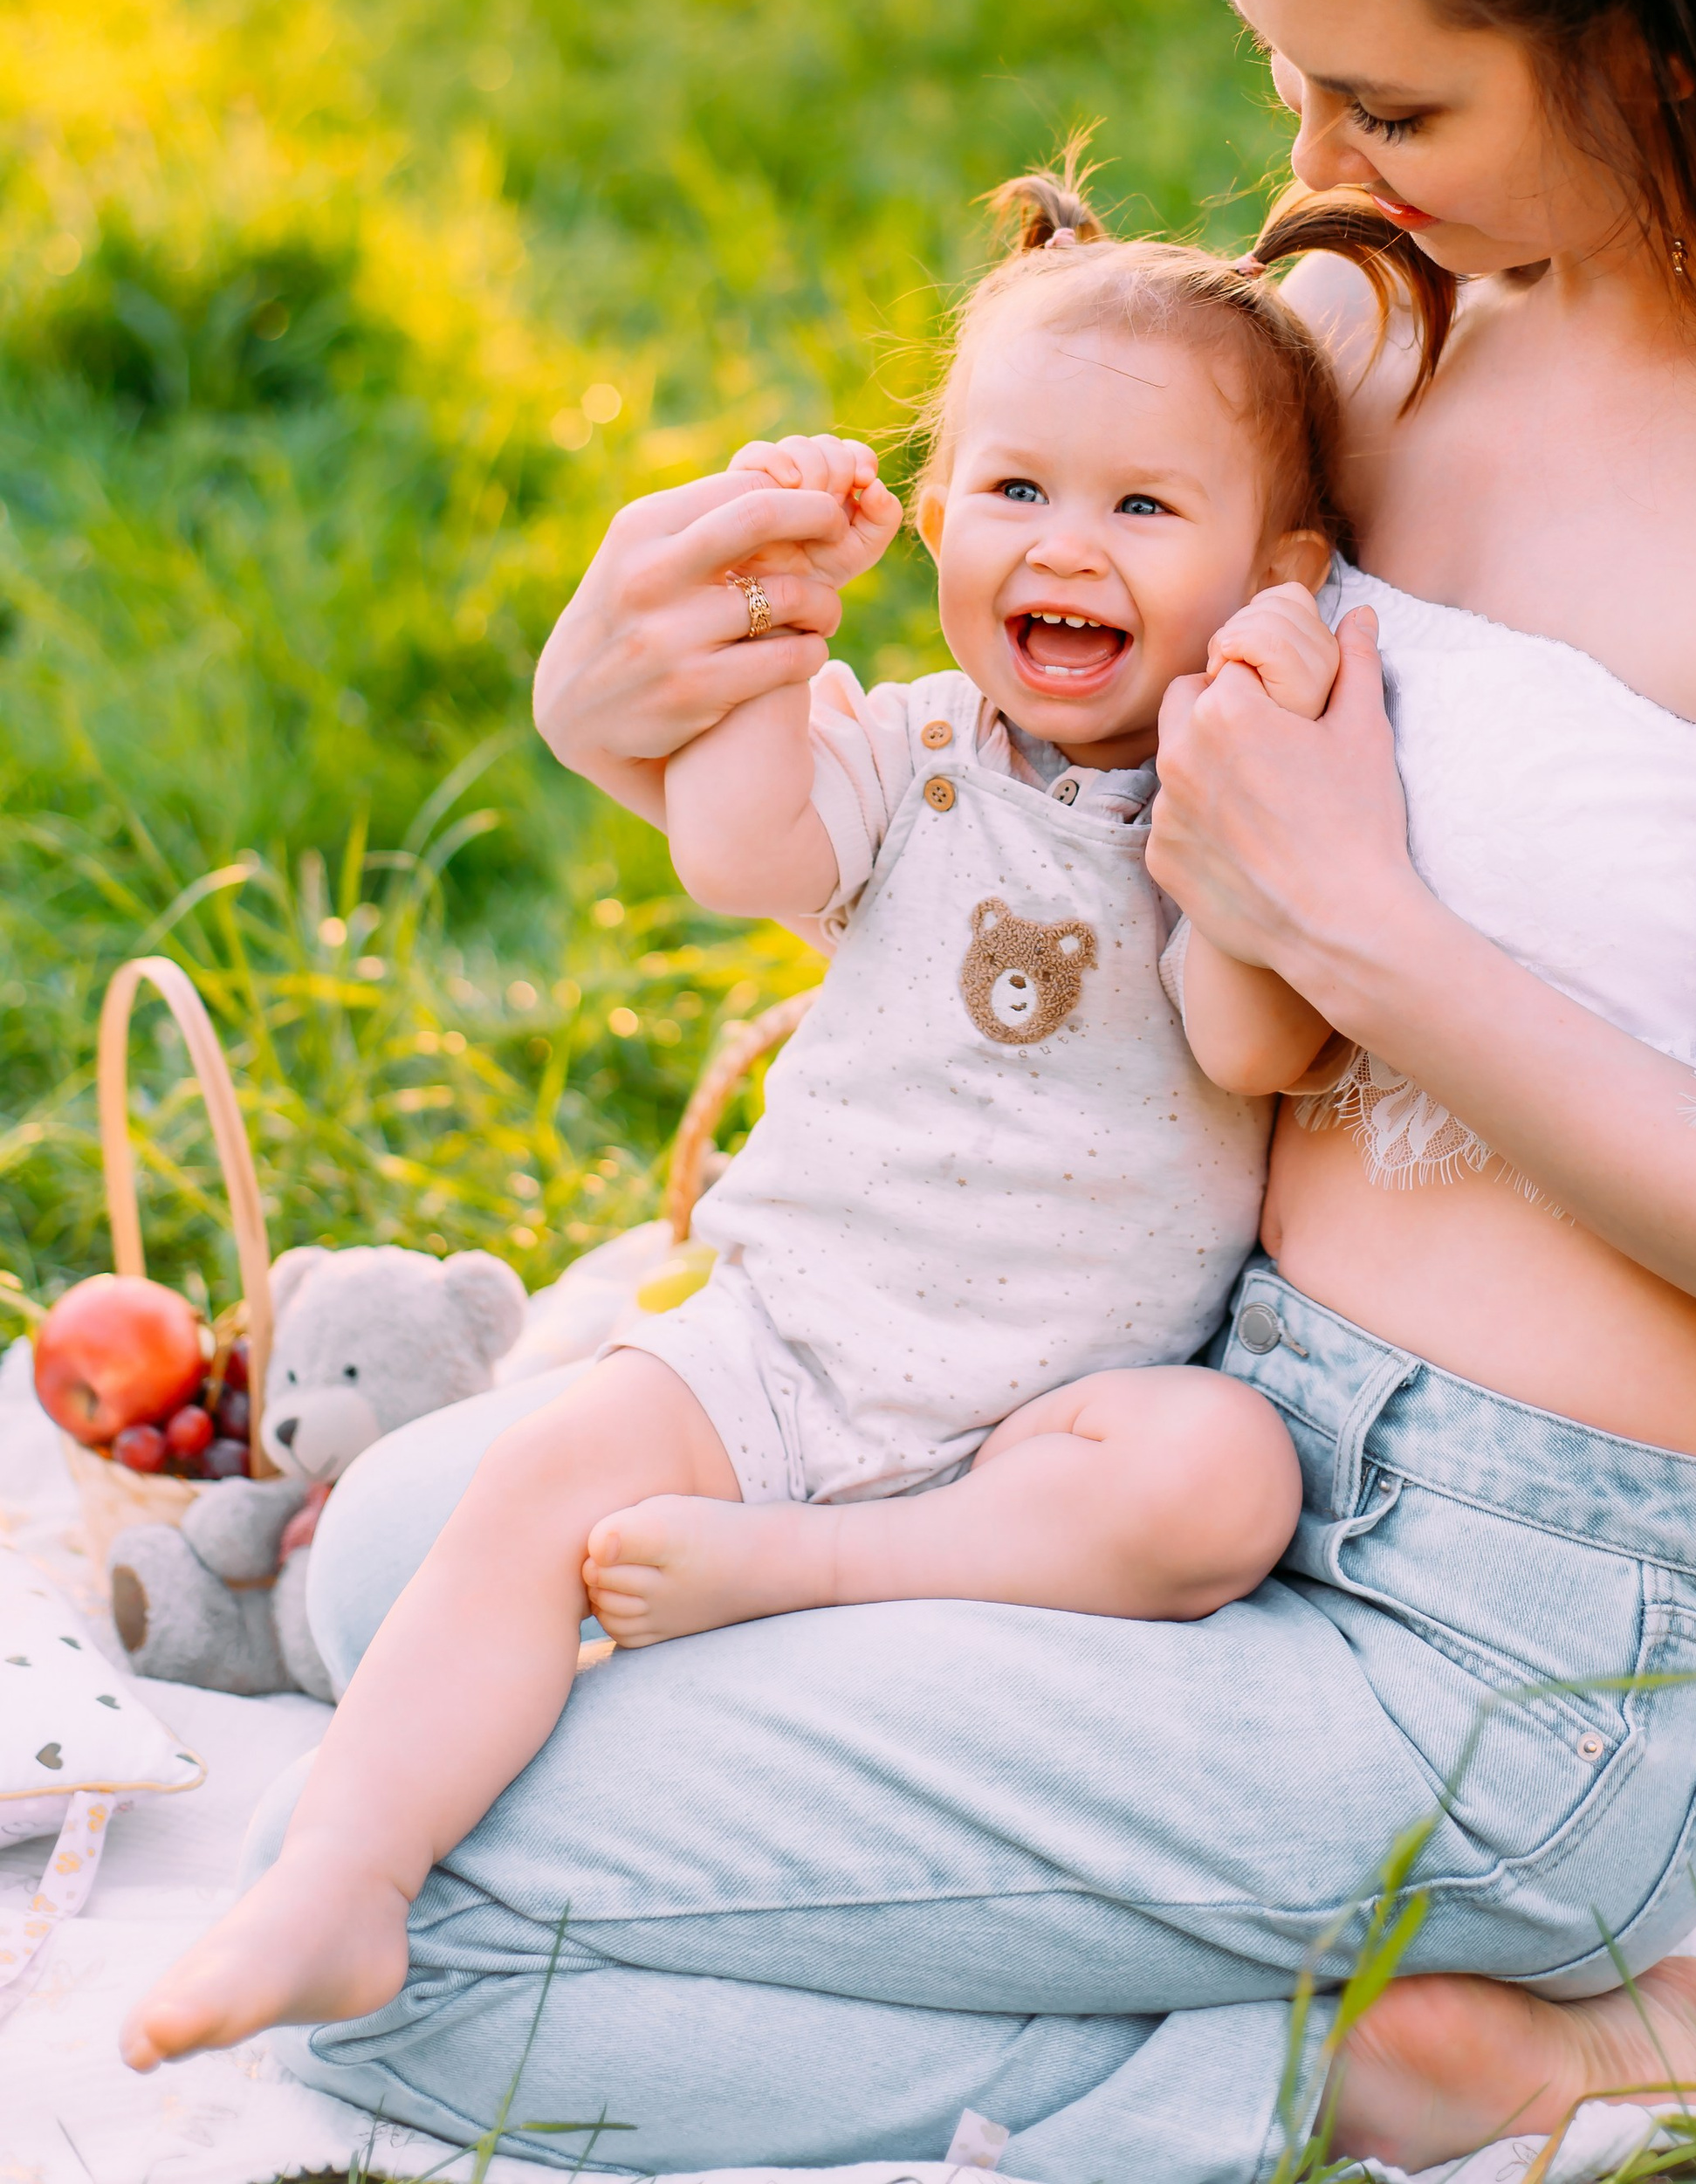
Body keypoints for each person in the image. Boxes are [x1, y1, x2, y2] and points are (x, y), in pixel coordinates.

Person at [203, 0, 1696, 2179]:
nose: (1311, 175)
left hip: (1523, 1647)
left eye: (1394, 108)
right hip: (1161, 1447)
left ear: (1664, 53)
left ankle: (1418, 2047)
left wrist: (1380, 941)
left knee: (409, 1961)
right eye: (1288, 76)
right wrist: (640, 705)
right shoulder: (1389, 346)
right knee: (392, 1580)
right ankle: (1260, 1981)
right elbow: (1031, 723)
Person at [122, 173, 1454, 2072]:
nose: (1062, 546)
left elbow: (1248, 1044)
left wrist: (1263, 722)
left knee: (1223, 1477)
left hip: (1038, 1428)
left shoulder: (1223, 805)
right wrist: (772, 614)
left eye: (1142, 507)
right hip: (780, 1343)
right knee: (525, 1493)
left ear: (1275, 565)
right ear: (932, 515)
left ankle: (805, 1577)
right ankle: (343, 1867)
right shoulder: (908, 750)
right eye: (1013, 491)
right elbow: (743, 845)